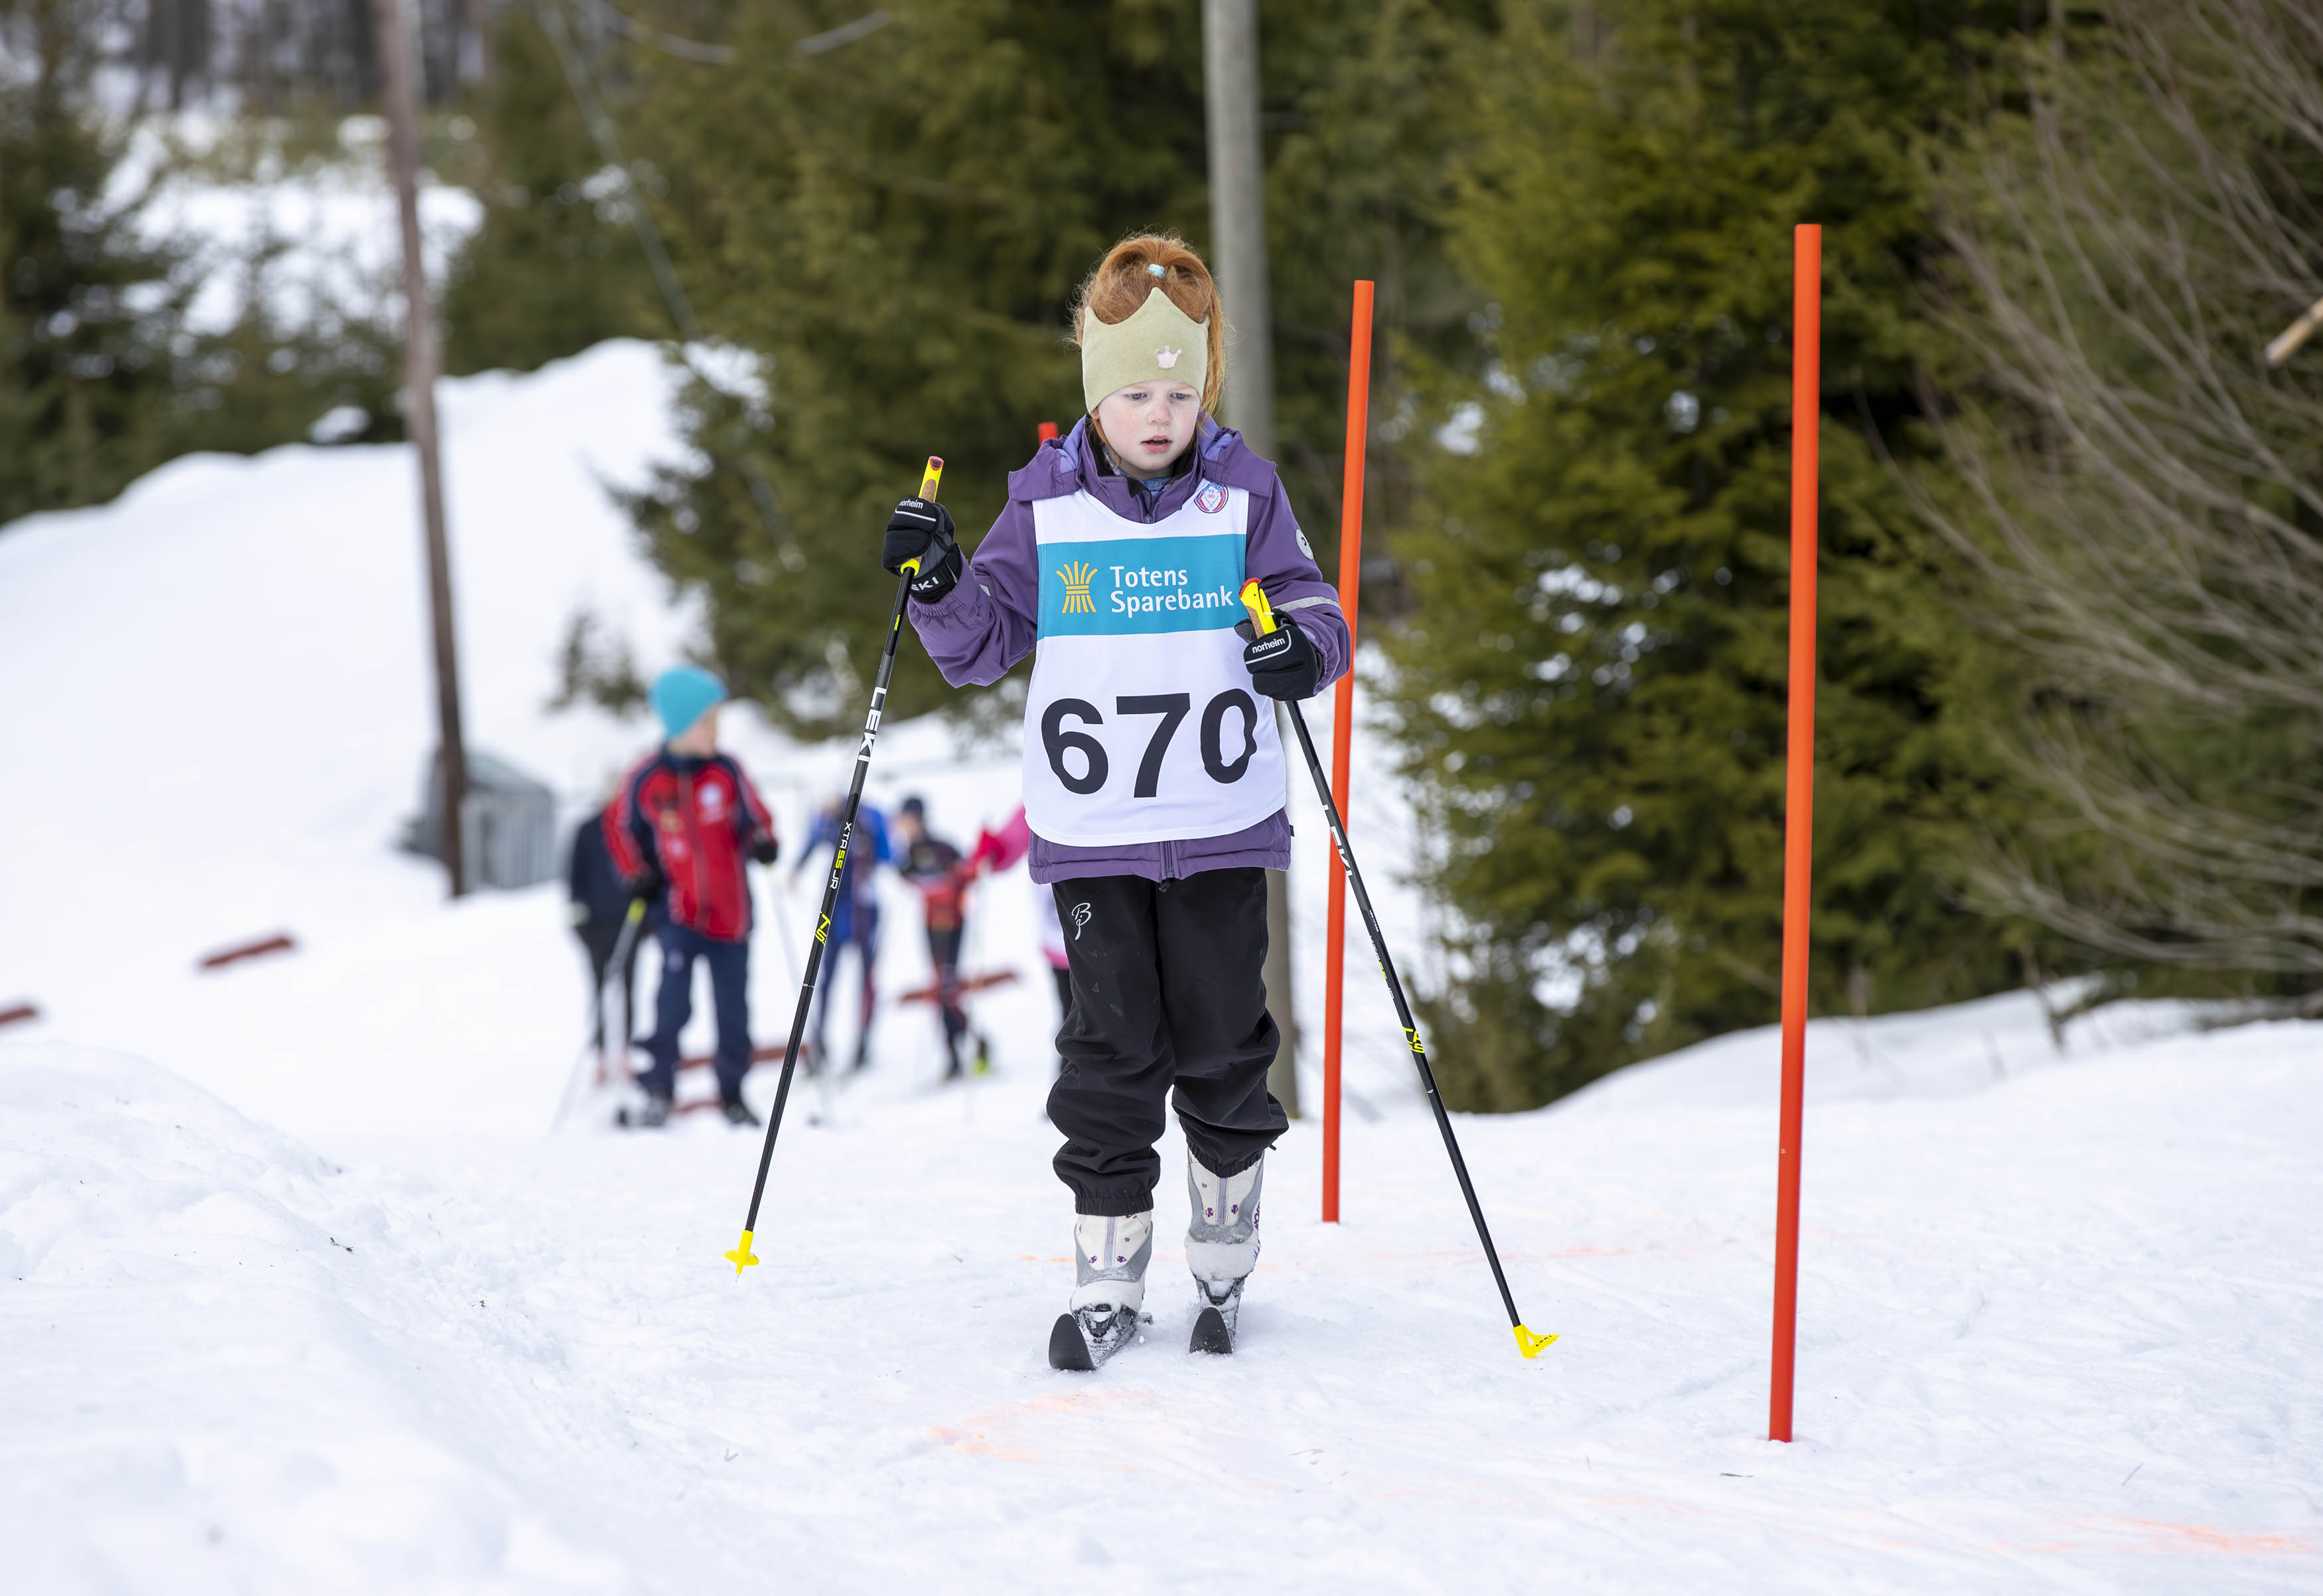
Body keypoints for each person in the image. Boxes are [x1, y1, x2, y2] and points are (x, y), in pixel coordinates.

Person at [879, 234, 1348, 1367]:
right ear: (1096, 389)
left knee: (1226, 1047)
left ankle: (1225, 1249)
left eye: (1179, 391)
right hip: (1093, 839)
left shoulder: (1243, 490)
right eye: (1135, 390)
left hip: (1220, 822)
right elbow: (981, 645)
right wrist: (939, 581)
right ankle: (1108, 1266)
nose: (1158, 413)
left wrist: (1304, 649)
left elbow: (1308, 605)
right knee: (1110, 1051)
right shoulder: (1045, 505)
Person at [604, 666, 779, 1128]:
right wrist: (636, 873)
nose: (717, 731)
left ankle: (732, 1092)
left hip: (731, 914)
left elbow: (757, 815)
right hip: (678, 912)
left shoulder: (726, 770)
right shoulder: (647, 778)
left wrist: (762, 838)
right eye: (709, 721)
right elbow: (621, 830)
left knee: (734, 1009)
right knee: (672, 1005)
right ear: (681, 724)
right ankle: (659, 1087)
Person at [970, 804, 1073, 1064]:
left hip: (1114, 925)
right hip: (1061, 935)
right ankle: (1073, 1095)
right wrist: (993, 849)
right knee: (1074, 1020)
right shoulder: (1041, 796)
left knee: (1112, 1021)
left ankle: (1105, 1095)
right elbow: (1009, 844)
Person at [893, 795, 987, 1081]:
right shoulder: (908, 853)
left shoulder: (941, 847)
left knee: (948, 989)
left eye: (906, 819)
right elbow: (904, 877)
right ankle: (954, 1057)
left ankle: (979, 1046)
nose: (903, 826)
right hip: (930, 925)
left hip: (953, 925)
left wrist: (959, 881)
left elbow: (967, 873)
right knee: (939, 989)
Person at [796, 795, 889, 1072]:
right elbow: (812, 842)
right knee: (825, 979)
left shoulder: (870, 816)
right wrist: (796, 870)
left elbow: (887, 855)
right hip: (835, 908)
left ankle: (863, 1042)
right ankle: (820, 1044)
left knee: (865, 979)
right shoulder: (828, 820)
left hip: (864, 907)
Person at [566, 808, 650, 1059]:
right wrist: (578, 918)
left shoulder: (637, 828)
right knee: (599, 984)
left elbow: (650, 872)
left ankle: (627, 1046)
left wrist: (650, 919)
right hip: (596, 924)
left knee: (629, 984)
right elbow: (576, 877)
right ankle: (601, 1046)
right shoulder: (589, 829)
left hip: (630, 920)